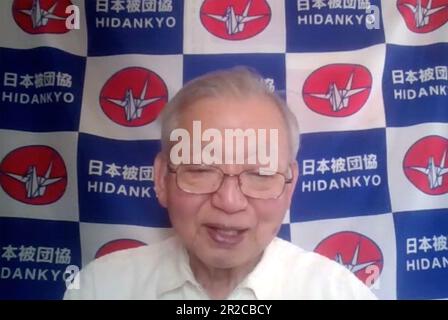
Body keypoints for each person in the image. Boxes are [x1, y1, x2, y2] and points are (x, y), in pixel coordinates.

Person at [64, 67, 377, 300]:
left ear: (290, 185)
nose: (229, 201)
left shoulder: (339, 294)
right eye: (201, 169)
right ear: (161, 179)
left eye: (260, 174)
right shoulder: (101, 288)